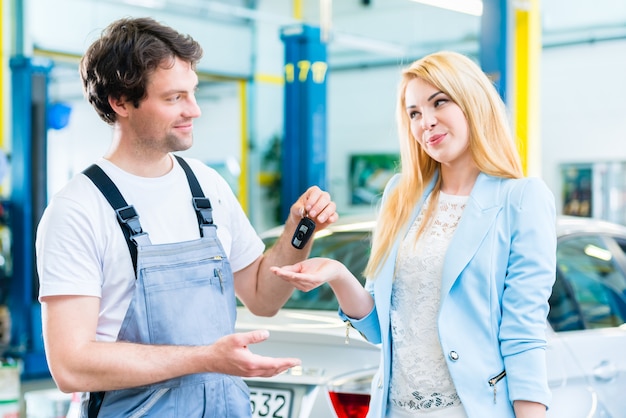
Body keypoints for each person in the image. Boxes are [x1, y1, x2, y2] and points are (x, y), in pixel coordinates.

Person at [35, 17, 338, 417]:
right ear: (121, 102)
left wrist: (299, 231)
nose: (193, 110)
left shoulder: (206, 186)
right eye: (174, 98)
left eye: (192, 93)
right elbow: (71, 366)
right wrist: (206, 358)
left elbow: (264, 298)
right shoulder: (78, 210)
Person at [271, 51, 556, 418]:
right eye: (414, 113)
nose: (426, 123)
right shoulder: (400, 194)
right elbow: (378, 329)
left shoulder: (521, 198)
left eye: (440, 103)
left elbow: (524, 331)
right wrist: (338, 275)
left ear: (474, 102)